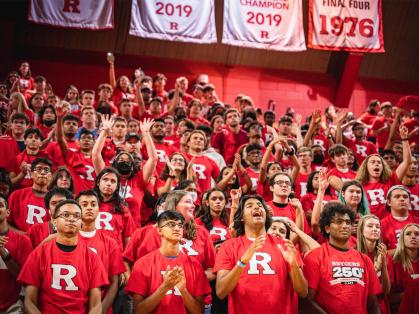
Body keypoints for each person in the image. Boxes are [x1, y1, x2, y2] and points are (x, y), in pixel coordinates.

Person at [214, 194, 308, 313]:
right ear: (242, 217)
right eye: (249, 206)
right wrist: (242, 262)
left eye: (260, 205)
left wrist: (294, 265)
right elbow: (221, 292)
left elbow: (303, 292)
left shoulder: (284, 245)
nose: (257, 208)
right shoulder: (229, 246)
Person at [18, 199, 109, 313]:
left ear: (81, 223)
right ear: (54, 221)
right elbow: (29, 301)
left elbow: (96, 305)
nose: (71, 219)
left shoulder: (93, 258)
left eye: (76, 216)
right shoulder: (39, 254)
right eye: (65, 215)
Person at [125, 210, 211, 314]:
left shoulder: (195, 265)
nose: (177, 228)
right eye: (171, 224)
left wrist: (183, 290)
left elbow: (199, 312)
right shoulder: (142, 264)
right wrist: (165, 287)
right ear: (159, 231)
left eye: (180, 225)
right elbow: (138, 311)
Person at [303, 202, 382, 314]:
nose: (345, 226)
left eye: (348, 222)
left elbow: (373, 302)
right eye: (339, 222)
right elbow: (306, 300)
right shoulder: (314, 256)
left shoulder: (364, 259)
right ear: (327, 228)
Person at [93, 116, 158, 227]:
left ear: (133, 166)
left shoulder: (139, 180)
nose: (124, 162)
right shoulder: (108, 176)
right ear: (115, 163)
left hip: (133, 231)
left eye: (128, 160)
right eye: (121, 159)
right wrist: (104, 132)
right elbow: (95, 155)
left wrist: (146, 133)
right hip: (110, 230)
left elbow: (153, 159)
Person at [77, 190, 126, 314]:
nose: (89, 208)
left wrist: (101, 311)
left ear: (99, 209)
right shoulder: (66, 238)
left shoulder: (110, 242)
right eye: (84, 204)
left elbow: (114, 282)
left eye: (93, 204)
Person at [356, 126, 412, 219]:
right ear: (366, 167)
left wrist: (404, 138)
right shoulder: (360, 186)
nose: (376, 164)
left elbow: (407, 161)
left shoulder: (391, 181)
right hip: (370, 225)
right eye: (373, 162)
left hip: (389, 225)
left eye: (379, 162)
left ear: (383, 167)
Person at [0, 193, 32, 313]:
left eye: (0, 205)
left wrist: (4, 254)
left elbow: (24, 280)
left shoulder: (23, 241)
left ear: (8, 212)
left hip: (12, 305)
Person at [56, 102, 96, 194]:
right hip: (74, 198)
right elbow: (60, 139)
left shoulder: (97, 160)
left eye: (89, 138)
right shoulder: (72, 156)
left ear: (94, 143)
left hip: (93, 198)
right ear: (78, 142)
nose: (86, 140)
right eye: (83, 138)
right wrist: (59, 118)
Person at [93, 167, 136, 251]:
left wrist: (125, 260)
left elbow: (128, 238)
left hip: (115, 255)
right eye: (105, 179)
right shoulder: (87, 206)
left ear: (117, 186)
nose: (108, 184)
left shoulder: (123, 210)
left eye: (113, 181)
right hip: (90, 253)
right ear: (98, 182)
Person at [356, 215, 392, 314]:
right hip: (360, 304)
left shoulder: (384, 254)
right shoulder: (354, 253)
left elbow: (386, 290)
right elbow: (358, 286)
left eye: (377, 227)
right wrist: (376, 268)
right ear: (361, 231)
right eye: (370, 226)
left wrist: (383, 265)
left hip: (380, 305)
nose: (375, 229)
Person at [8, 157, 52, 233]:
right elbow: (4, 223)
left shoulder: (55, 199)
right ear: (31, 174)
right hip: (18, 241)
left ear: (51, 176)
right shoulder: (17, 195)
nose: (42, 172)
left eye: (46, 170)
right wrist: (24, 236)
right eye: (39, 169)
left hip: (45, 243)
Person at [381, 186, 419, 254]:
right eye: (397, 196)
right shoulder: (382, 224)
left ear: (410, 202)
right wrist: (405, 249)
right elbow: (379, 254)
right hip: (394, 263)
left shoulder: (417, 221)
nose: (402, 199)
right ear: (389, 202)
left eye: (405, 197)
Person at [390, 223, 419, 312]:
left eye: (417, 234)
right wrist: (410, 293)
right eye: (408, 234)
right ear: (402, 239)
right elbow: (387, 298)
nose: (413, 236)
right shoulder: (393, 263)